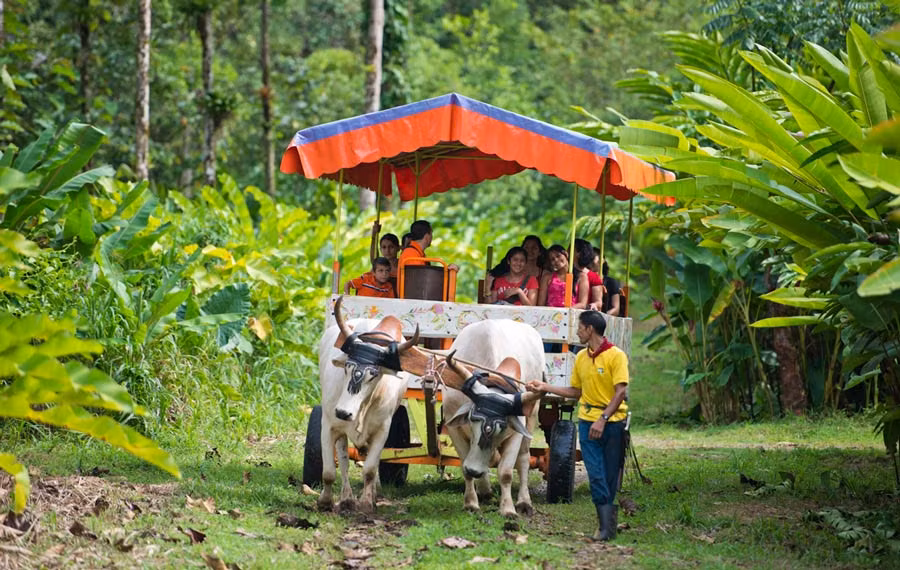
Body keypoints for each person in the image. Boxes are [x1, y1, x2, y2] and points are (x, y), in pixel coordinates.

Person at [527, 310, 629, 541]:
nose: (578, 333)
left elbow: (620, 391)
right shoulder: (581, 358)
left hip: (611, 424)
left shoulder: (616, 356)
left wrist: (602, 419)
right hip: (587, 421)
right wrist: (545, 387)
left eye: (580, 328)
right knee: (596, 473)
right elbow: (576, 392)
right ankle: (604, 527)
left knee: (610, 475)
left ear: (590, 329)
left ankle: (607, 525)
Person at [538, 244, 589, 309]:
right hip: (551, 315)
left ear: (566, 254)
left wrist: (565, 311)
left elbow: (583, 304)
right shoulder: (547, 277)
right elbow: (541, 304)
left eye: (558, 256)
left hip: (571, 315)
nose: (556, 260)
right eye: (552, 259)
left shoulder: (581, 276)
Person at [574, 239, 604, 311]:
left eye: (570, 249)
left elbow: (598, 302)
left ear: (578, 253)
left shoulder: (593, 277)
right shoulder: (563, 273)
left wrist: (594, 305)